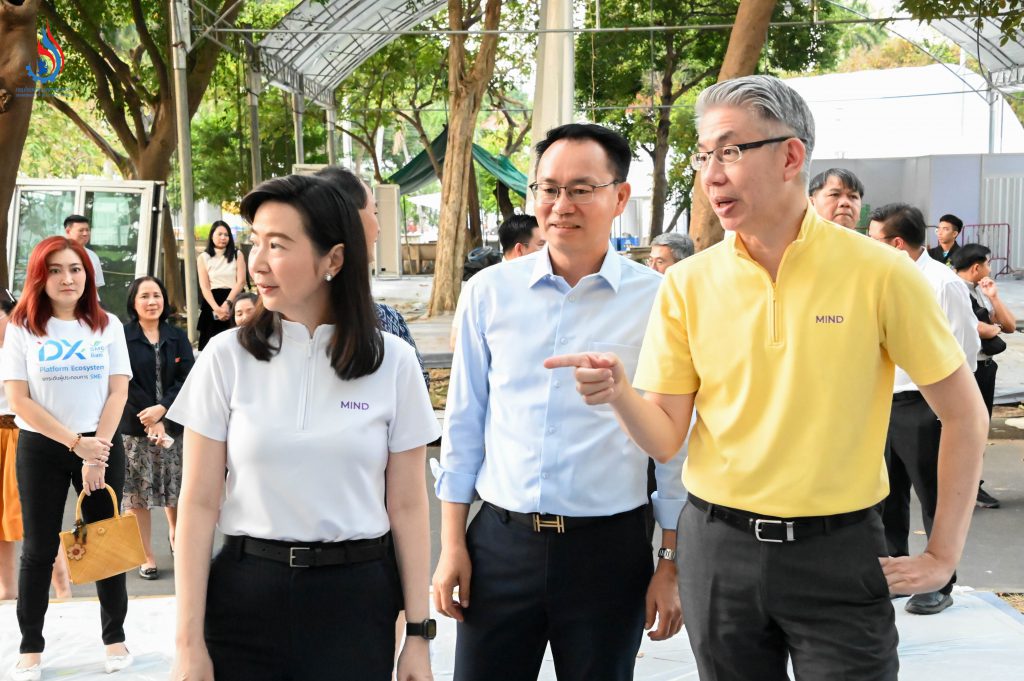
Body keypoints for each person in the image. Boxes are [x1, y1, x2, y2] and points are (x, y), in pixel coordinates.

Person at [547, 75, 988, 680]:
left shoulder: (879, 274)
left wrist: (942, 554)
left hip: (839, 552)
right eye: (704, 155)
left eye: (729, 150)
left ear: (791, 155)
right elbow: (667, 438)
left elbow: (965, 413)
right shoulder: (688, 283)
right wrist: (622, 393)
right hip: (718, 550)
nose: (711, 174)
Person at [433, 123, 686, 681]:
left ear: (619, 197)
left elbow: (674, 443)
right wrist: (453, 543)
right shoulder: (489, 293)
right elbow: (465, 423)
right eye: (548, 188)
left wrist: (669, 560)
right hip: (500, 544)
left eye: (581, 188)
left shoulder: (660, 301)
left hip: (609, 550)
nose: (560, 204)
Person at [167, 174, 439, 681]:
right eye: (255, 242)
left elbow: (408, 505)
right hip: (245, 598)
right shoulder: (225, 359)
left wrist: (418, 636)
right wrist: (187, 643)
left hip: (356, 602)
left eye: (278, 244)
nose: (258, 262)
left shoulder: (393, 362)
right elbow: (198, 504)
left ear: (333, 260)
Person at [3, 236, 133, 680]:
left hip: (101, 446)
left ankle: (115, 640)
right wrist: (76, 444)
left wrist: (97, 450)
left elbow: (119, 390)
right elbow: (19, 399)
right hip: (43, 447)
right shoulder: (23, 327)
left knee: (104, 544)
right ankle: (30, 647)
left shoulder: (107, 325)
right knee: (38, 548)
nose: (67, 278)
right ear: (40, 275)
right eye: (55, 269)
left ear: (88, 276)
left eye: (75, 269)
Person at [868, 203, 980, 615]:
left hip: (923, 403)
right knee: (888, 492)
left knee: (932, 492)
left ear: (896, 244)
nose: (868, 245)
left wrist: (947, 409)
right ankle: (897, 572)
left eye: (874, 239)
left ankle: (940, 581)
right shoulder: (880, 279)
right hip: (884, 401)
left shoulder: (942, 283)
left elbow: (964, 350)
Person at [315, 165, 429, 387]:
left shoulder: (389, 322)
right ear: (348, 220)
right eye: (374, 213)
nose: (378, 228)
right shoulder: (385, 324)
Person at [120, 276, 194, 580]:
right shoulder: (123, 337)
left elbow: (188, 377)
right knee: (138, 495)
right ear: (134, 303)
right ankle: (146, 555)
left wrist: (163, 410)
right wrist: (147, 417)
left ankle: (177, 537)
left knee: (173, 489)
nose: (152, 302)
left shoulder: (176, 336)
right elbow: (121, 380)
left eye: (157, 296)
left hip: (171, 426)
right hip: (135, 428)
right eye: (145, 296)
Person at [0, 296, 73, 604]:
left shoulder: (28, 349)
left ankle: (63, 589)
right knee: (2, 521)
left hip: (23, 436)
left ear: (10, 316)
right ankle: (7, 590)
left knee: (36, 517)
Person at [953, 243, 1017, 509]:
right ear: (977, 267)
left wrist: (994, 297)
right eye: (988, 263)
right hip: (968, 370)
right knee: (967, 431)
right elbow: (979, 329)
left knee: (979, 429)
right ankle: (965, 489)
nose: (991, 269)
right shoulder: (953, 290)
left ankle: (969, 486)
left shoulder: (979, 291)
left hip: (986, 368)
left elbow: (1009, 326)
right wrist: (993, 327)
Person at [197, 220, 247, 350]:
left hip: (234, 300)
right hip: (212, 302)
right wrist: (217, 309)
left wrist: (227, 303)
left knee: (236, 345)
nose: (223, 238)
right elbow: (204, 286)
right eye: (219, 234)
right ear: (212, 235)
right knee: (211, 348)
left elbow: (241, 281)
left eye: (226, 235)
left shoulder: (237, 254)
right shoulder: (203, 257)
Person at [63, 215, 105, 290]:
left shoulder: (93, 256)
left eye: (87, 230)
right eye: (81, 230)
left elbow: (96, 284)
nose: (85, 233)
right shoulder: (58, 253)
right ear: (68, 231)